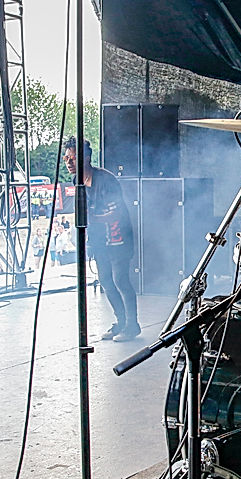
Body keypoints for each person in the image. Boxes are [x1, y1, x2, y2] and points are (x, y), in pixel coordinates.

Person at [64, 137, 139, 341]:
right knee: (106, 281)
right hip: (100, 241)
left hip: (118, 237)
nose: (68, 163)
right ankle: (121, 322)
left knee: (120, 280)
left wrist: (92, 219)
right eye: (66, 158)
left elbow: (116, 214)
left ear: (86, 158)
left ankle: (132, 326)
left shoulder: (106, 180)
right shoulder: (76, 181)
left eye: (72, 158)